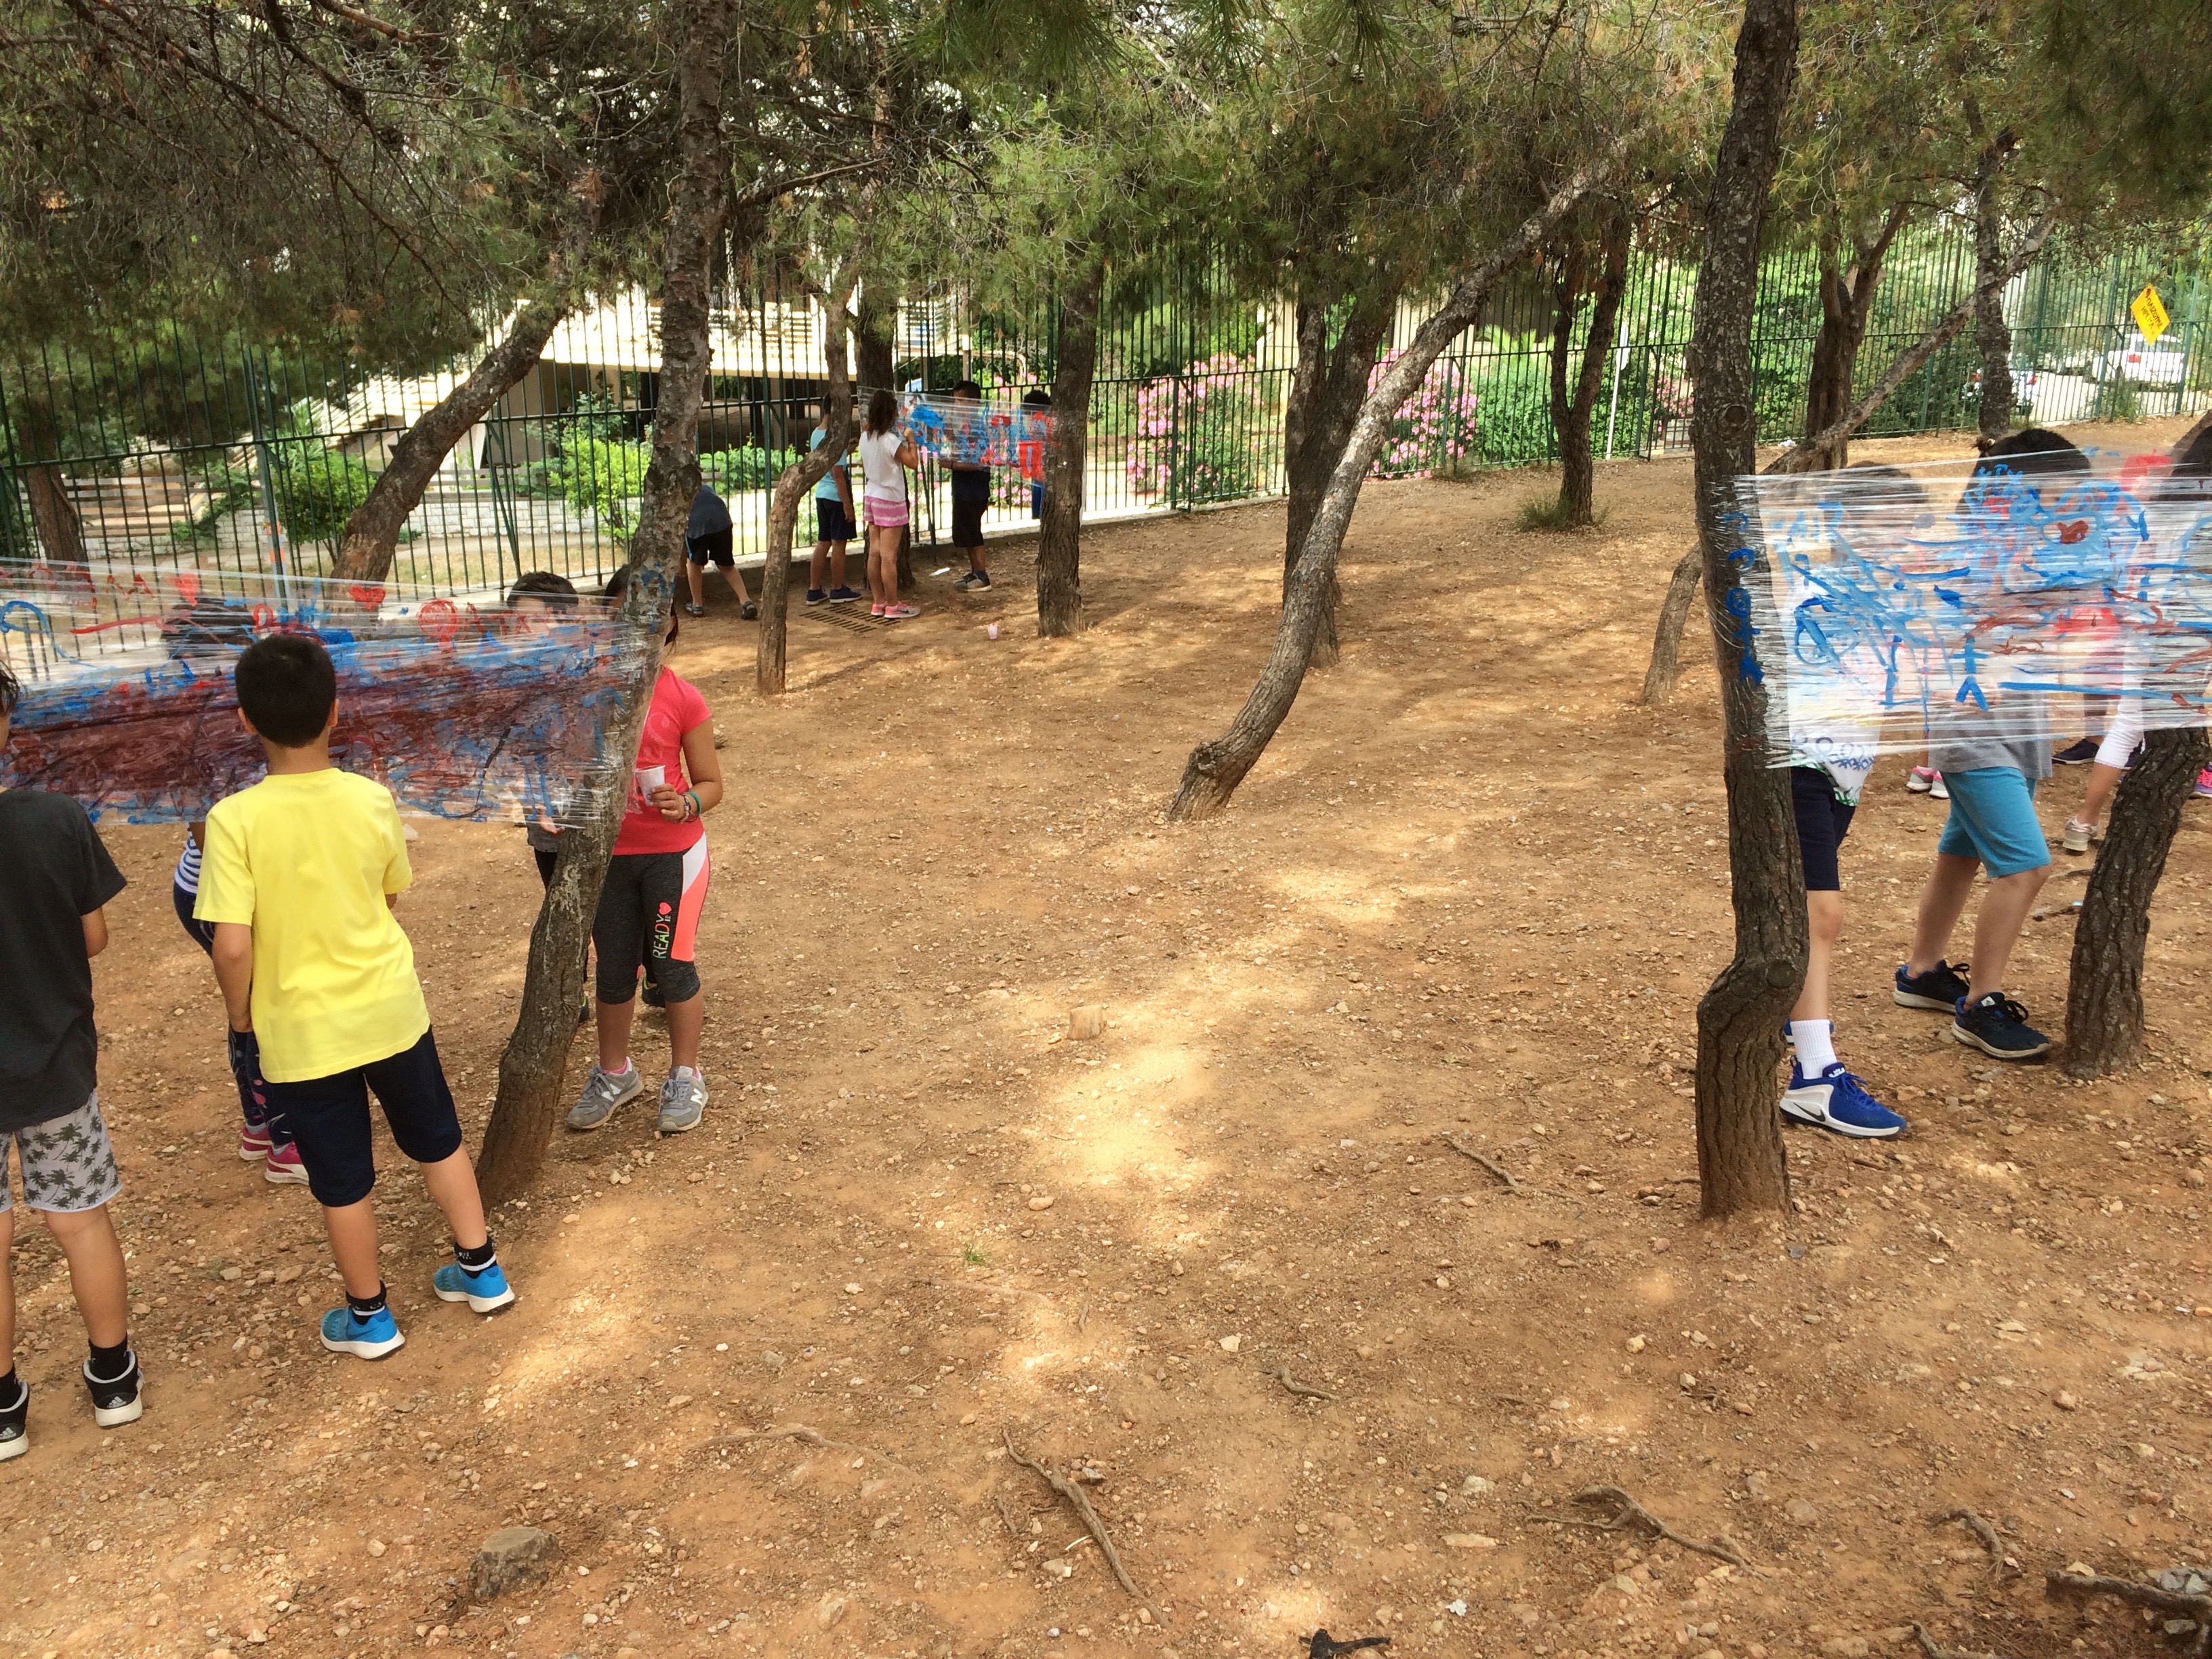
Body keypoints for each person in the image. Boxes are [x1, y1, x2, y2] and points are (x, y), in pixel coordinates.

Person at [197, 633, 514, 1361]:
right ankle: (482, 1269)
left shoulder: (233, 821)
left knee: (341, 1178)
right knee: (438, 1138)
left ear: (245, 719)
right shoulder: (372, 798)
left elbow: (233, 945)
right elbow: (389, 891)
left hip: (302, 1032)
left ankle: (370, 1317)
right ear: (335, 711)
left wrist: (240, 1015)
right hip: (391, 1009)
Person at [1893, 430, 2089, 1061]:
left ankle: (1922, 972)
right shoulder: (1967, 557)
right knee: (2027, 867)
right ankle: (1981, 1004)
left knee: (1961, 854)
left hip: (2018, 732)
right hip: (1976, 736)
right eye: (2055, 498)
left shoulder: (2032, 556)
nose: (2065, 511)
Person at [0, 659, 144, 1456]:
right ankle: (113, 1378)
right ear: (6, 725)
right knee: (80, 1221)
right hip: (56, 1064)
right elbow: (94, 937)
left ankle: (3, 1409)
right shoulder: (56, 820)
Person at [1778, 466, 1916, 1138]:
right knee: (1820, 914)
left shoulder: (1887, 600)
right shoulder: (1819, 599)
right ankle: (1814, 1077)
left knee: (1802, 914)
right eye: (1885, 528)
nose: (1900, 543)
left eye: (1907, 530)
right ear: (1843, 528)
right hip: (1802, 769)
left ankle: (1792, 1007)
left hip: (1843, 775)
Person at [569, 571, 723, 1136]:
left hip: (673, 859)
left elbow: (712, 785)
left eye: (652, 615)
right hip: (610, 859)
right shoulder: (589, 692)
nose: (638, 627)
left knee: (671, 964)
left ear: (671, 624)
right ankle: (616, 1074)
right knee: (614, 969)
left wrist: (685, 803)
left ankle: (686, 1076)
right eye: (624, 614)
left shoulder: (683, 697)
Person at [858, 388, 921, 621]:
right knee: (889, 557)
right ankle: (893, 605)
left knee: (874, 553)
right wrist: (911, 440)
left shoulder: (865, 438)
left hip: (872, 495)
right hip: (891, 499)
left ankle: (878, 602)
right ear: (890, 414)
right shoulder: (890, 441)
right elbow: (912, 463)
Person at [806, 407, 863, 606]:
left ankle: (814, 589)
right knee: (839, 543)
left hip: (822, 493)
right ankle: (837, 589)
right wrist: (847, 505)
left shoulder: (816, 434)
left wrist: (846, 450)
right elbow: (837, 472)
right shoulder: (834, 437)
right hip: (836, 496)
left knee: (823, 541)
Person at [684, 483, 756, 620]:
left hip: (697, 523)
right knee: (725, 564)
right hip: (722, 520)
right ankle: (746, 602)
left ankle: (697, 605)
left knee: (693, 562)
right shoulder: (706, 487)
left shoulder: (676, 492)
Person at [947, 380, 994, 591]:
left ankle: (982, 576)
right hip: (962, 487)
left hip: (974, 489)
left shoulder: (978, 428)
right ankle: (975, 572)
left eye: (961, 401)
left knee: (973, 532)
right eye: (955, 401)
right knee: (964, 532)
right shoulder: (963, 427)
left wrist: (951, 464)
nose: (956, 406)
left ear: (973, 402)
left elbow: (977, 462)